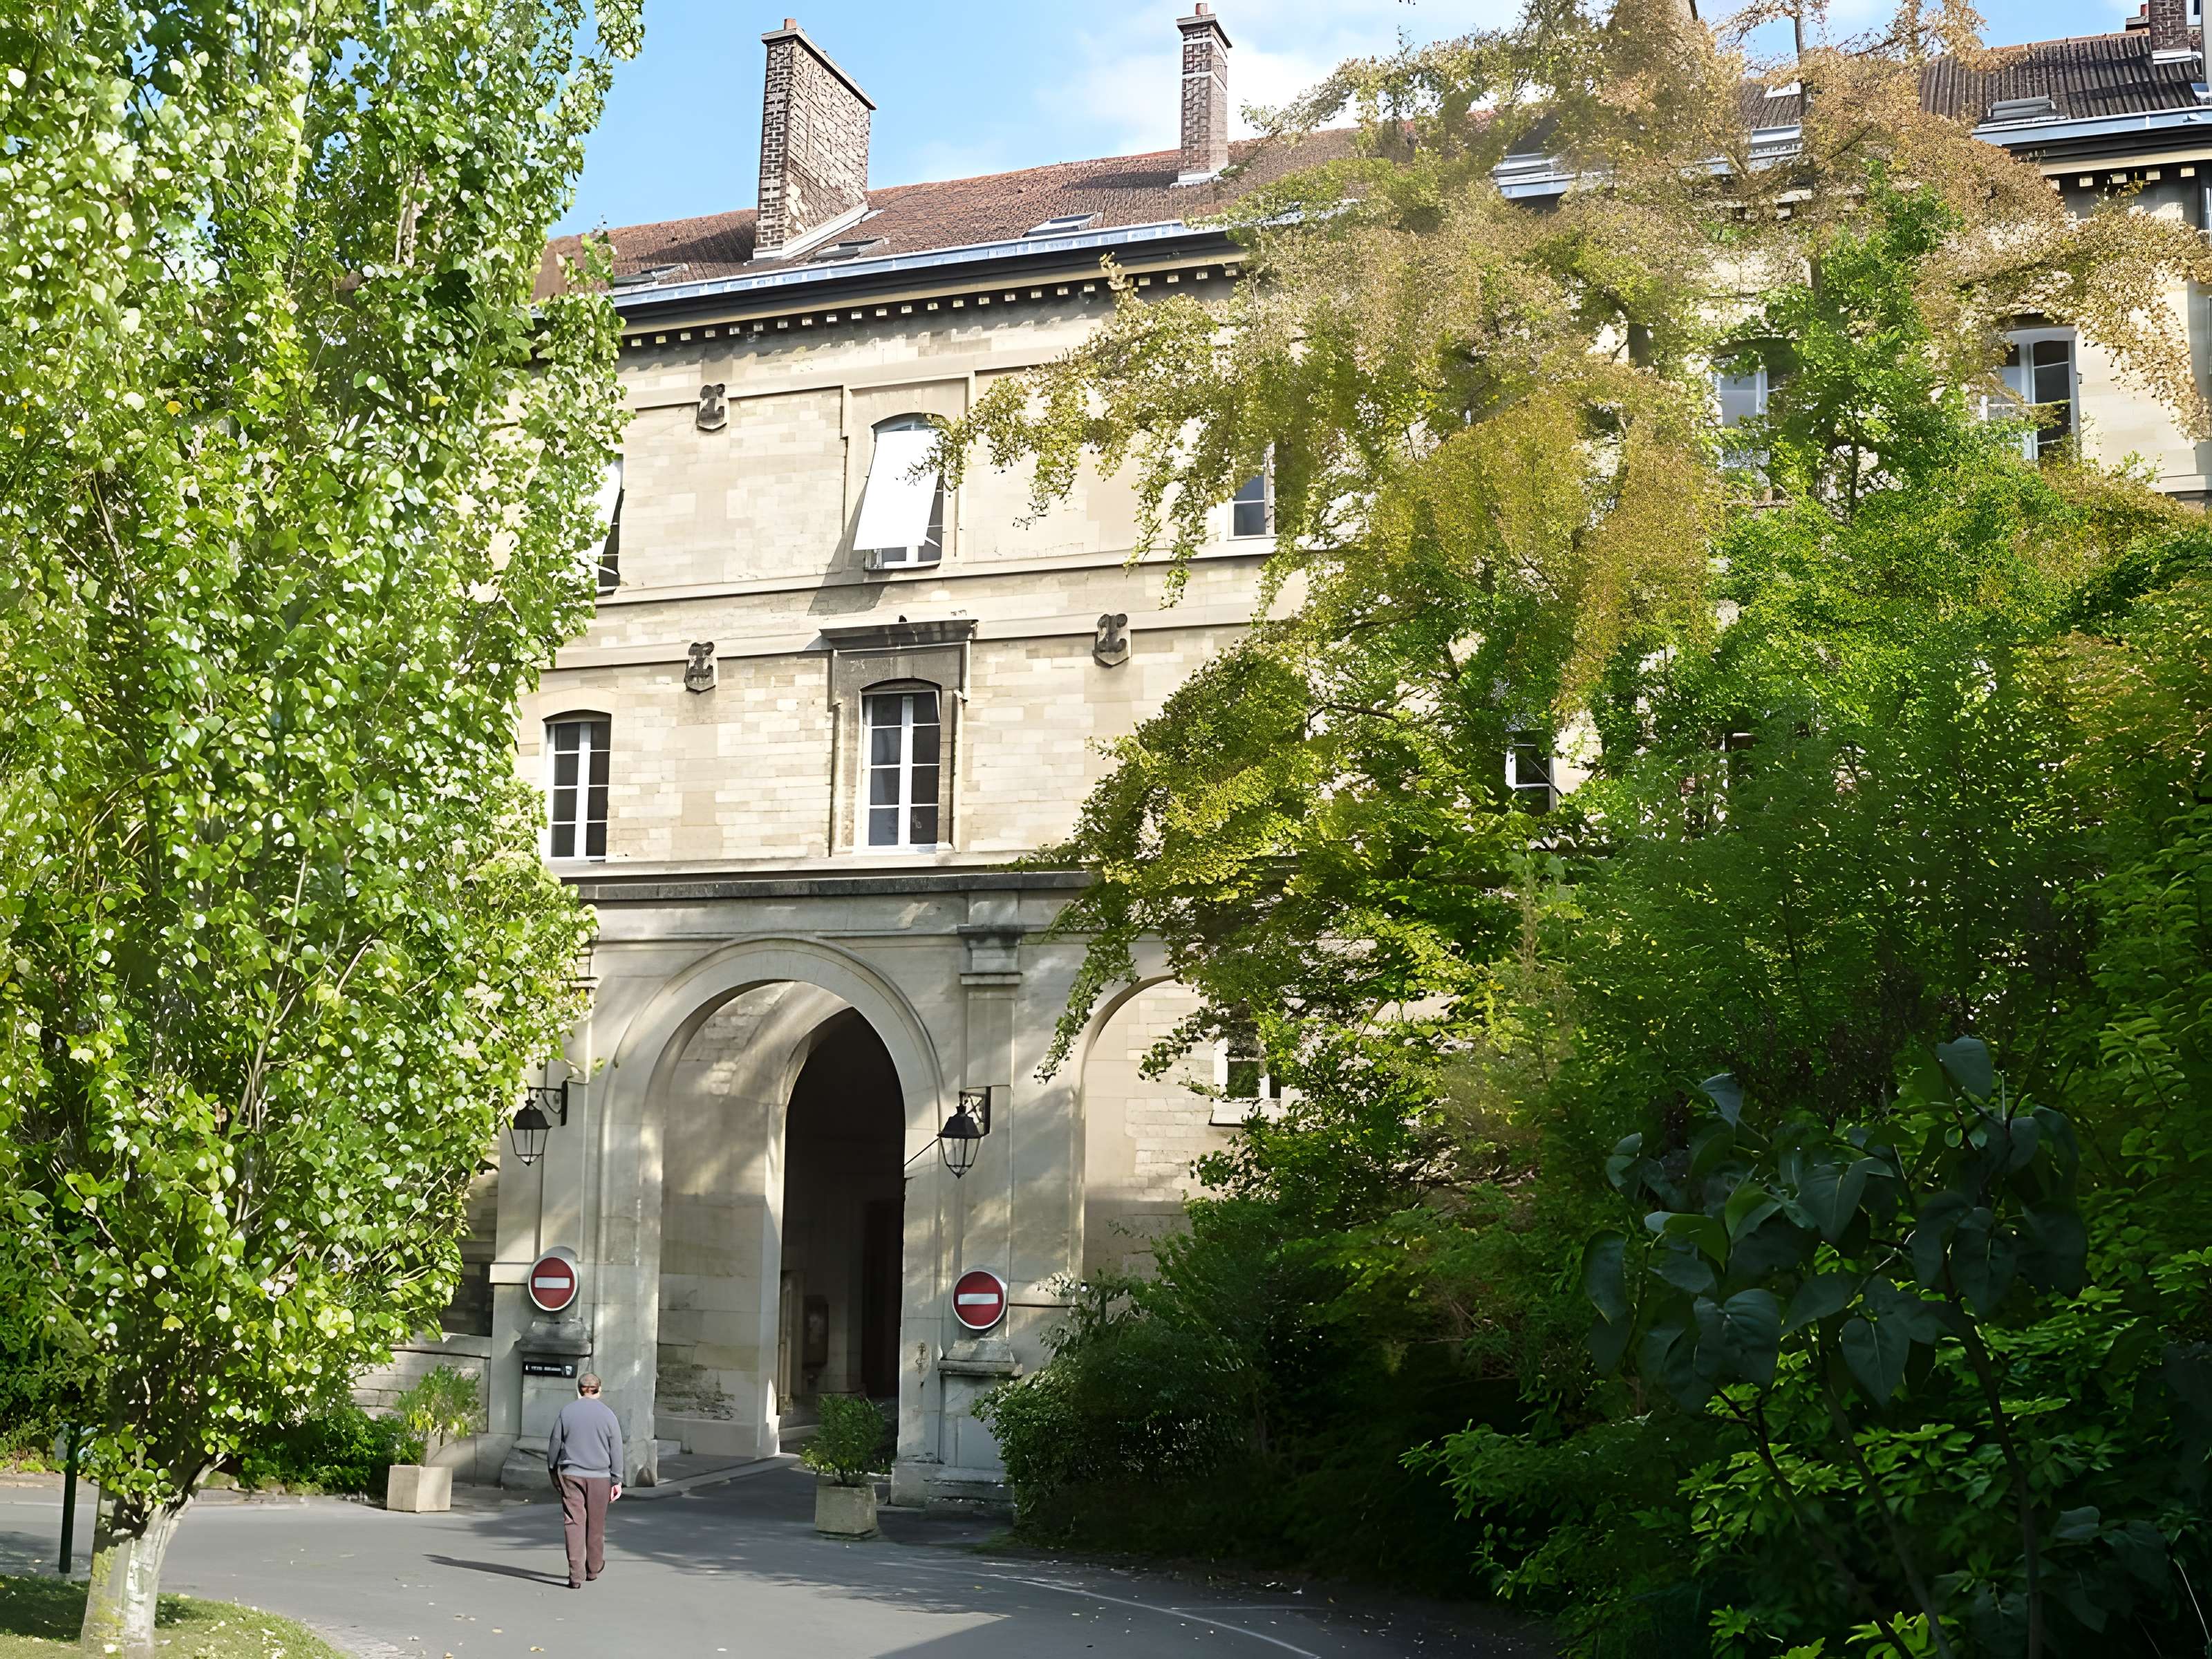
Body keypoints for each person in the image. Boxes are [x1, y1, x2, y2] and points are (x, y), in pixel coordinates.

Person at [545, 1374, 623, 1588]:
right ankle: (594, 1568)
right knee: (596, 1525)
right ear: (600, 1390)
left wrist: (553, 1469)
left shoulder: (566, 1412)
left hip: (571, 1474)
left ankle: (575, 1575)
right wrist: (617, 1480)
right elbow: (616, 1449)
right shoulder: (608, 1415)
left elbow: (554, 1444)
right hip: (600, 1477)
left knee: (573, 1522)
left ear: (578, 1390)